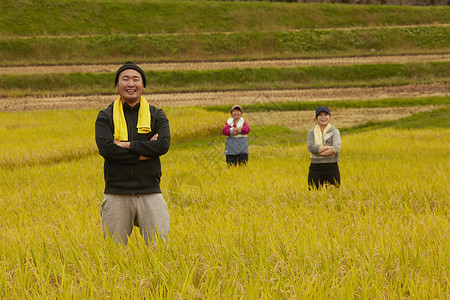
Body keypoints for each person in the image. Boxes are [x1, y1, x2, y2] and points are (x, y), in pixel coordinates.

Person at [95, 61, 170, 245]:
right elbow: (106, 149)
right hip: (116, 193)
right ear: (117, 85)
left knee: (158, 250)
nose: (131, 84)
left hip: (150, 192)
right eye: (125, 79)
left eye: (136, 79)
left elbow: (162, 145)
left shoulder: (156, 115)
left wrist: (125, 144)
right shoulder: (105, 116)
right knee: (114, 253)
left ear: (143, 85)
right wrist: (144, 153)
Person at [307, 106, 341, 189]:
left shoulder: (334, 131)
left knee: (334, 194)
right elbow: (311, 148)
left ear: (329, 117)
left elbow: (336, 148)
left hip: (332, 167)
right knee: (313, 194)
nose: (323, 117)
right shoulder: (311, 133)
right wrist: (328, 147)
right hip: (315, 167)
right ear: (316, 118)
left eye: (326, 115)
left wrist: (318, 151)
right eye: (320, 115)